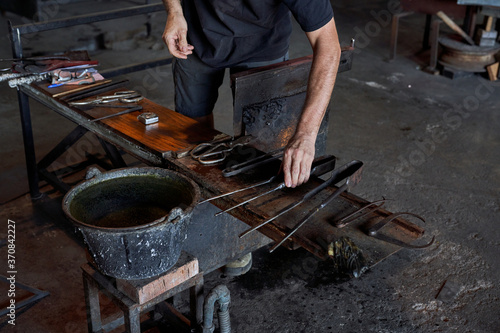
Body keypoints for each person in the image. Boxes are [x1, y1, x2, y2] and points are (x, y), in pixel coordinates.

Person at [162, 0, 341, 188]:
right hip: (195, 39)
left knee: (260, 151)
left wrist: (305, 135)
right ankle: (197, 193)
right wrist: (174, 12)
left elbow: (327, 44)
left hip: (263, 46)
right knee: (192, 138)